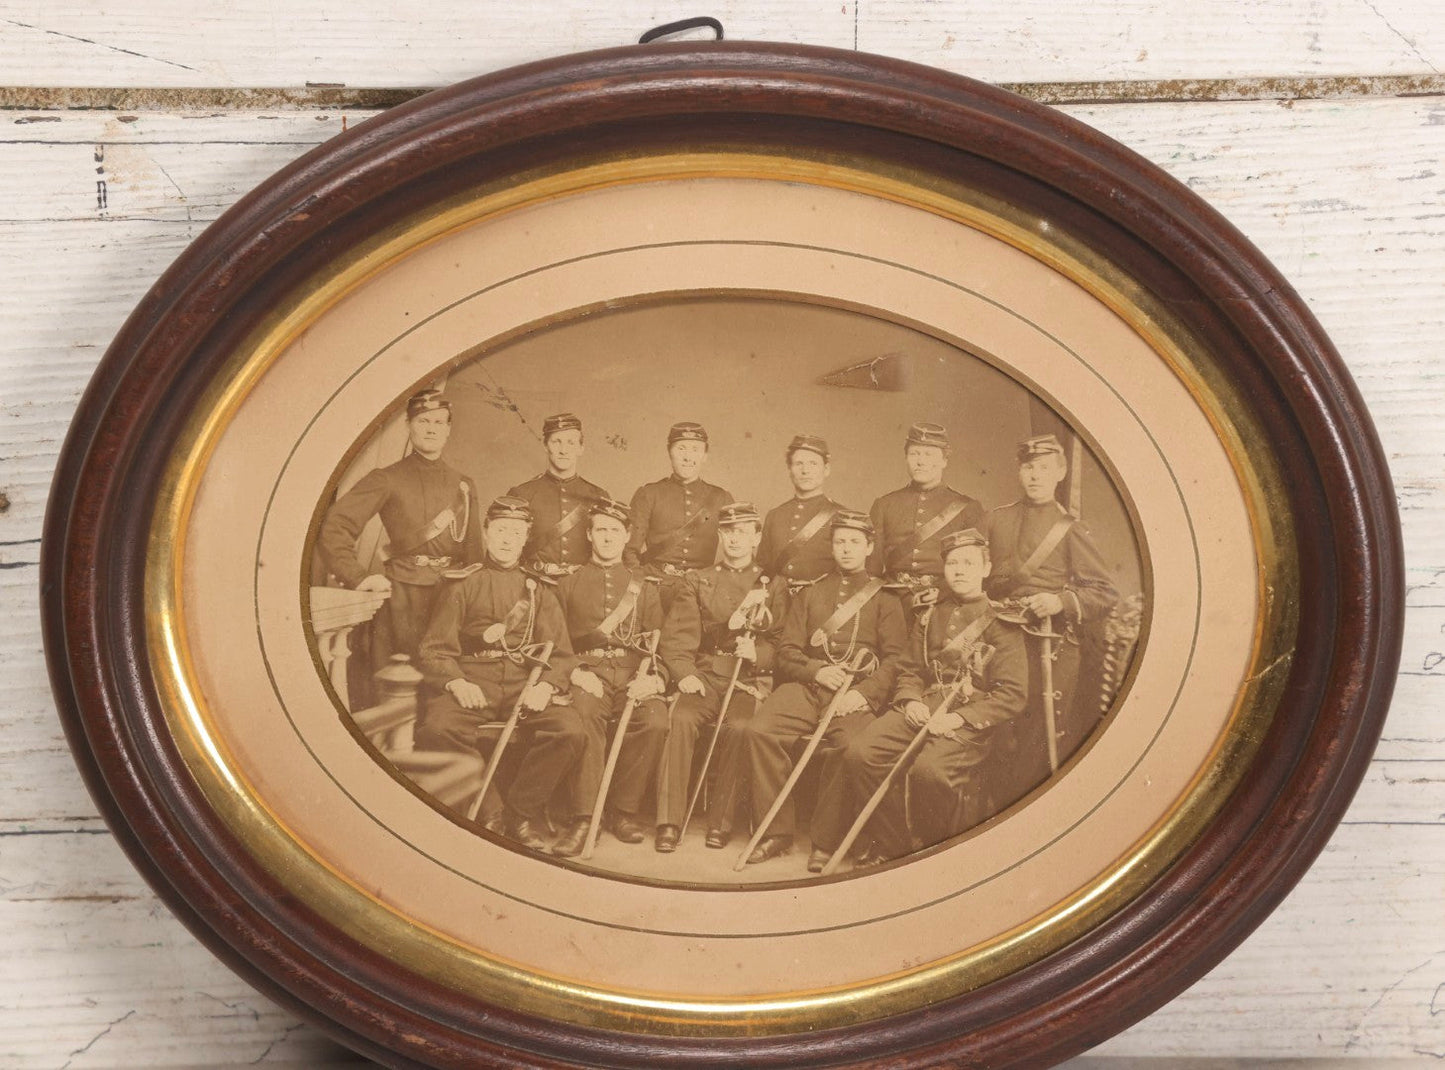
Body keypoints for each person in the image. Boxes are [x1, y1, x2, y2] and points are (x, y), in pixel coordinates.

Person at [810, 528, 1028, 872]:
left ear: (986, 569)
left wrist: (958, 719)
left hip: (970, 721)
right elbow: (910, 668)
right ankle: (894, 845)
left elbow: (1012, 694)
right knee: (860, 753)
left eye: (969, 563)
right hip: (923, 705)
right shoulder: (929, 613)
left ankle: (929, 852)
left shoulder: (1003, 622)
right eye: (952, 563)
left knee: (929, 771)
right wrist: (911, 700)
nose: (959, 570)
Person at [721, 511, 909, 864]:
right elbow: (786, 653)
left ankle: (826, 839)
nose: (847, 549)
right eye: (840, 542)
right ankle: (776, 832)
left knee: (849, 745)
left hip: (855, 692)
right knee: (759, 730)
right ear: (831, 546)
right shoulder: (811, 593)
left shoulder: (885, 598)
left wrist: (863, 694)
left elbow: (896, 661)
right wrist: (817, 671)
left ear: (869, 547)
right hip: (809, 687)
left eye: (855, 542)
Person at [414, 496, 576, 853]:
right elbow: (434, 648)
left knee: (569, 730)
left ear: (525, 538)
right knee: (437, 728)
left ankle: (520, 813)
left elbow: (562, 654)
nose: (507, 539)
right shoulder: (462, 583)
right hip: (474, 680)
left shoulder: (540, 590)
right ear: (486, 534)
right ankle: (492, 810)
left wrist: (546, 687)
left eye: (516, 532)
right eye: (500, 530)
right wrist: (456, 682)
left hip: (525, 684)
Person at [985, 433, 1119, 801]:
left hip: (1047, 645)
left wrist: (1060, 601)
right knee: (994, 733)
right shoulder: (996, 520)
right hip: (998, 641)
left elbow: (1104, 593)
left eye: (1044, 468)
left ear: (1060, 472)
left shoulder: (1071, 528)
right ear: (1019, 471)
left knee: (1035, 741)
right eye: (1028, 467)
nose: (1035, 476)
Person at [317, 389, 483, 678]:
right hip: (401, 601)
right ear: (408, 426)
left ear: (448, 429)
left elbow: (474, 553)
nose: (431, 429)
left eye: (438, 422)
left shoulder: (463, 485)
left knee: (445, 684)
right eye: (422, 421)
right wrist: (359, 576)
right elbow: (334, 526)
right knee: (394, 685)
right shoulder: (387, 478)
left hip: (452, 598)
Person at [655, 502, 779, 853]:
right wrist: (685, 674)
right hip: (707, 674)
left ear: (756, 537)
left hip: (748, 679)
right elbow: (678, 639)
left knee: (740, 728)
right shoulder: (699, 580)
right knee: (680, 718)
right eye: (728, 532)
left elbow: (783, 644)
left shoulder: (771, 584)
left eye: (743, 532)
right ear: (720, 535)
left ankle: (721, 824)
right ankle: (668, 821)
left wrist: (759, 654)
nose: (735, 540)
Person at [553, 498, 670, 857]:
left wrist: (655, 679)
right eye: (600, 530)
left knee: (655, 720)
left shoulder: (645, 587)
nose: (607, 537)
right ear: (588, 535)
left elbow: (658, 646)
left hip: (633, 673)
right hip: (588, 672)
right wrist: (574, 671)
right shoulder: (567, 583)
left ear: (627, 537)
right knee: (585, 714)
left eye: (615, 531)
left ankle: (622, 811)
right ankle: (585, 816)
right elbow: (556, 643)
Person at [868, 422, 984, 615]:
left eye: (928, 454)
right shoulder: (884, 504)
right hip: (892, 603)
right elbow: (871, 570)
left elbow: (975, 567)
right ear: (906, 458)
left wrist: (945, 593)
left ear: (944, 461)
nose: (920, 461)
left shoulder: (968, 508)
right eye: (914, 454)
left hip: (946, 602)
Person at [625, 421, 733, 612]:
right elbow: (629, 551)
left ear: (705, 456)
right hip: (654, 589)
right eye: (681, 448)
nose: (688, 457)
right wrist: (642, 586)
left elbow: (738, 553)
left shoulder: (721, 498)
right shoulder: (649, 494)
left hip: (702, 593)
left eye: (695, 449)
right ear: (669, 452)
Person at [507, 412, 610, 579]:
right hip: (535, 581)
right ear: (545, 446)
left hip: (582, 584)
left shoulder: (598, 496)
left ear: (581, 448)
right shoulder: (522, 494)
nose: (563, 450)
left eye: (571, 443)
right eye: (556, 442)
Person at [758, 433, 849, 610]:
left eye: (813, 463)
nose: (805, 471)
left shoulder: (842, 516)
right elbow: (763, 568)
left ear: (827, 469)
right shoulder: (775, 515)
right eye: (799, 464)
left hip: (821, 607)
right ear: (789, 470)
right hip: (778, 607)